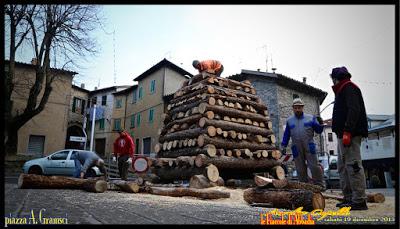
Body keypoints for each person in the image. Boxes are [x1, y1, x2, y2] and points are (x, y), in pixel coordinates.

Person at [330, 66, 368, 210]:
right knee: (343, 167)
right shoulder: (342, 89)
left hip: (350, 134)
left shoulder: (349, 87)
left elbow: (354, 110)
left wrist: (348, 130)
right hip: (342, 134)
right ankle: (349, 198)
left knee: (353, 166)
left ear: (336, 77)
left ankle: (359, 200)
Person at [281, 97, 325, 189]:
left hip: (309, 145)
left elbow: (318, 131)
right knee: (300, 168)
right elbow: (286, 134)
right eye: (295, 107)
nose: (297, 109)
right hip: (296, 147)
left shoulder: (311, 118)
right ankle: (304, 186)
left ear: (302, 107)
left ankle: (319, 185)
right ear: (293, 108)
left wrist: (320, 124)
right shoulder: (289, 121)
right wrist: (283, 145)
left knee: (314, 166)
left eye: (299, 107)